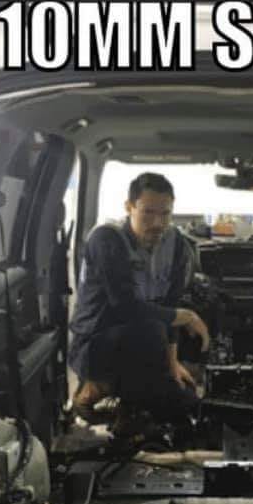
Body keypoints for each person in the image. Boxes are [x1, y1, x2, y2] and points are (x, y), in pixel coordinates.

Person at [69, 172, 210, 434]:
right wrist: (186, 317)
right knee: (152, 330)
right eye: (147, 212)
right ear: (129, 207)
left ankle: (136, 404)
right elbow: (126, 307)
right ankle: (95, 388)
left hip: (147, 340)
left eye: (165, 214)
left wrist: (172, 364)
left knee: (186, 398)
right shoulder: (107, 239)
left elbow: (171, 303)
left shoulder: (177, 245)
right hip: (95, 344)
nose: (157, 223)